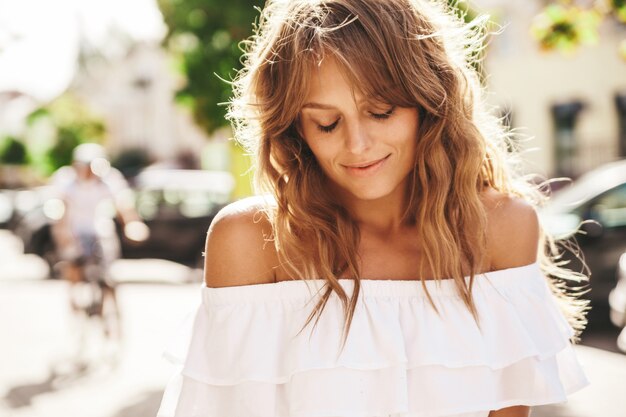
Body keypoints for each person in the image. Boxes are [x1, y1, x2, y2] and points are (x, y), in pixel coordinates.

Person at [157, 1, 590, 416]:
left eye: (381, 112)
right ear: (294, 128)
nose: (358, 145)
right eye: (327, 122)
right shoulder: (252, 243)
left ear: (430, 102)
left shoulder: (502, 230)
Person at [50, 143, 149, 340]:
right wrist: (64, 236)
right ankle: (75, 302)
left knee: (108, 274)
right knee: (73, 265)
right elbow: (61, 212)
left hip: (99, 229)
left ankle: (107, 311)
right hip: (75, 230)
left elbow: (123, 205)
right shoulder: (66, 181)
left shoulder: (108, 179)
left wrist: (132, 224)